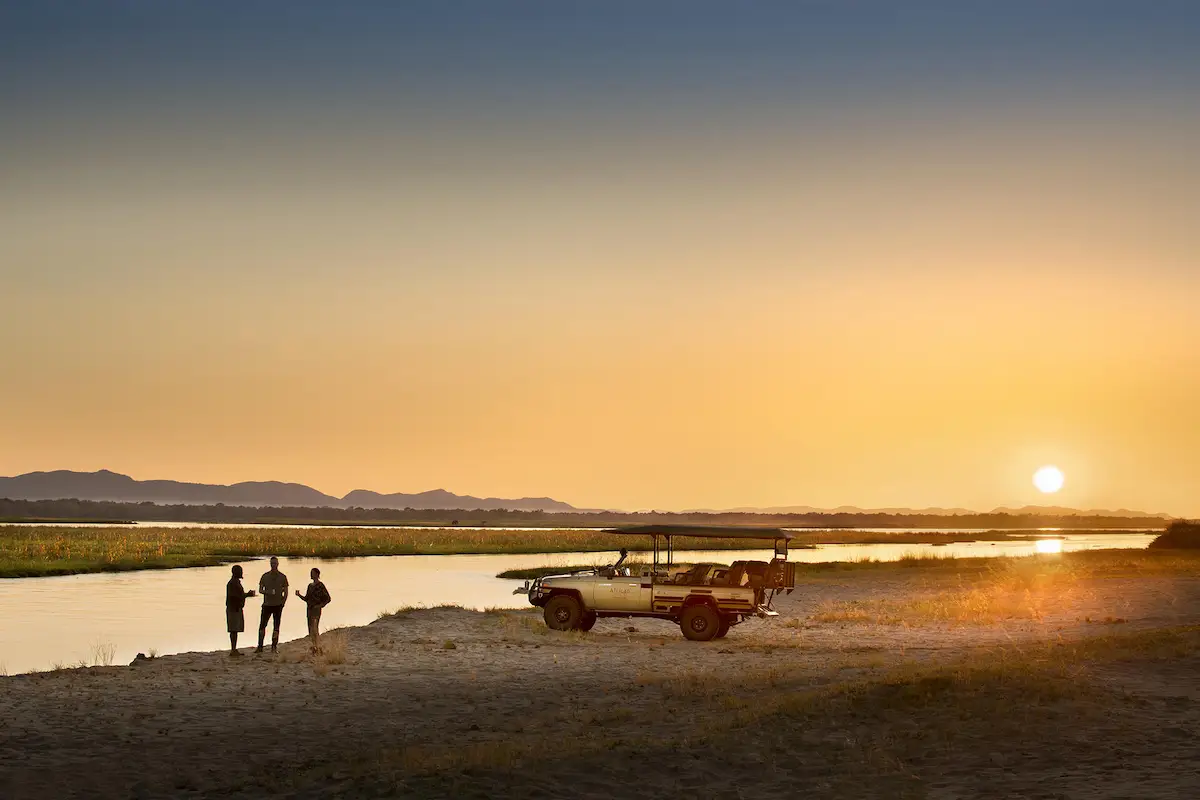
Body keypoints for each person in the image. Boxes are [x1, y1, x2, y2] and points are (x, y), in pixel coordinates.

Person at [256, 556, 289, 654]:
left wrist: (283, 603)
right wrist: (268, 592)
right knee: (262, 625)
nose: (273, 565)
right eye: (272, 563)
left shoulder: (282, 577)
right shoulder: (265, 576)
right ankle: (260, 646)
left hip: (278, 605)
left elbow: (286, 591)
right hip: (266, 604)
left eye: (275, 563)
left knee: (276, 626)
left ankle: (274, 647)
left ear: (278, 564)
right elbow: (260, 590)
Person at [296, 567, 332, 653]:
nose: (311, 575)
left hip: (316, 610)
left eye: (312, 573)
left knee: (315, 628)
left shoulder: (320, 585)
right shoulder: (310, 586)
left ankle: (318, 646)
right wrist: (299, 595)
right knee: (310, 629)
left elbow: (328, 599)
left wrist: (320, 606)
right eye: (310, 573)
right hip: (309, 610)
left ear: (317, 574)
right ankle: (314, 647)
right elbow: (307, 599)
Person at [225, 565, 256, 656]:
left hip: (235, 608)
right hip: (233, 609)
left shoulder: (235, 582)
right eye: (240, 571)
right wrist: (247, 595)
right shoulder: (232, 583)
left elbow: (238, 595)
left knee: (234, 630)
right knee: (233, 630)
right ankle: (233, 650)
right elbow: (235, 596)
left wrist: (246, 595)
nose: (241, 573)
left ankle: (234, 649)